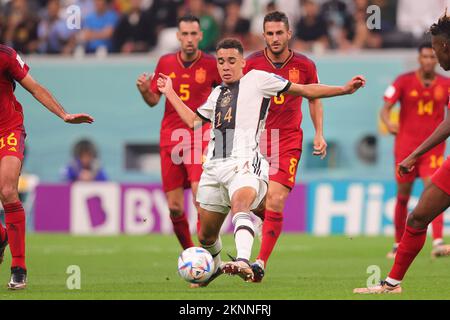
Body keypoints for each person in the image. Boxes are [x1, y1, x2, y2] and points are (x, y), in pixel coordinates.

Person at [157, 38, 365, 285]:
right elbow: (193, 121)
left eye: (232, 61)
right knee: (205, 235)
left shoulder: (258, 79)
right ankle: (216, 266)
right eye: (221, 61)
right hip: (214, 165)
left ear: (243, 62)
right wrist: (169, 92)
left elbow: (307, 90)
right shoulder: (217, 94)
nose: (225, 66)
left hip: (245, 160)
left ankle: (244, 261)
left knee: (240, 205)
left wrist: (344, 89)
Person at [354, 11, 450, 294]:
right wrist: (412, 154)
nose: (433, 57)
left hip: (425, 154)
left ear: (444, 47)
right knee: (417, 217)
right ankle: (392, 284)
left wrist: (414, 154)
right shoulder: (405, 81)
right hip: (422, 153)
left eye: (434, 50)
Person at [0, 44, 94, 290]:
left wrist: (63, 115)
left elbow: (35, 88)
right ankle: (2, 236)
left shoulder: (5, 56)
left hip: (7, 130)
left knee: (8, 190)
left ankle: (18, 268)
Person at [243, 11, 327, 282]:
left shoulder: (304, 65)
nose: (275, 38)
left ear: (289, 34)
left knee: (276, 200)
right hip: (254, 141)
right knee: (253, 202)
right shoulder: (251, 64)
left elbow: (314, 98)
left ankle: (260, 263)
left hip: (288, 140)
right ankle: (267, 222)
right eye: (270, 33)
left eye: (280, 33)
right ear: (263, 35)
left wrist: (319, 134)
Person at [136, 15, 221, 251]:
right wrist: (145, 91)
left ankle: (206, 254)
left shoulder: (211, 64)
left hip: (199, 136)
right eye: (185, 34)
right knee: (174, 207)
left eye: (194, 34)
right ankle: (191, 254)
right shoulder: (165, 63)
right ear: (178, 36)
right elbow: (153, 100)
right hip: (170, 139)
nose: (190, 39)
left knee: (198, 196)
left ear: (201, 36)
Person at [380, 42, 450, 260]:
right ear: (419, 59)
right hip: (405, 148)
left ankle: (438, 241)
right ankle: (397, 242)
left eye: (432, 57)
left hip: (433, 149)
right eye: (425, 57)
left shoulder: (446, 83)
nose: (429, 61)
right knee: (403, 197)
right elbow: (385, 108)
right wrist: (387, 123)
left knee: (432, 189)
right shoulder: (403, 81)